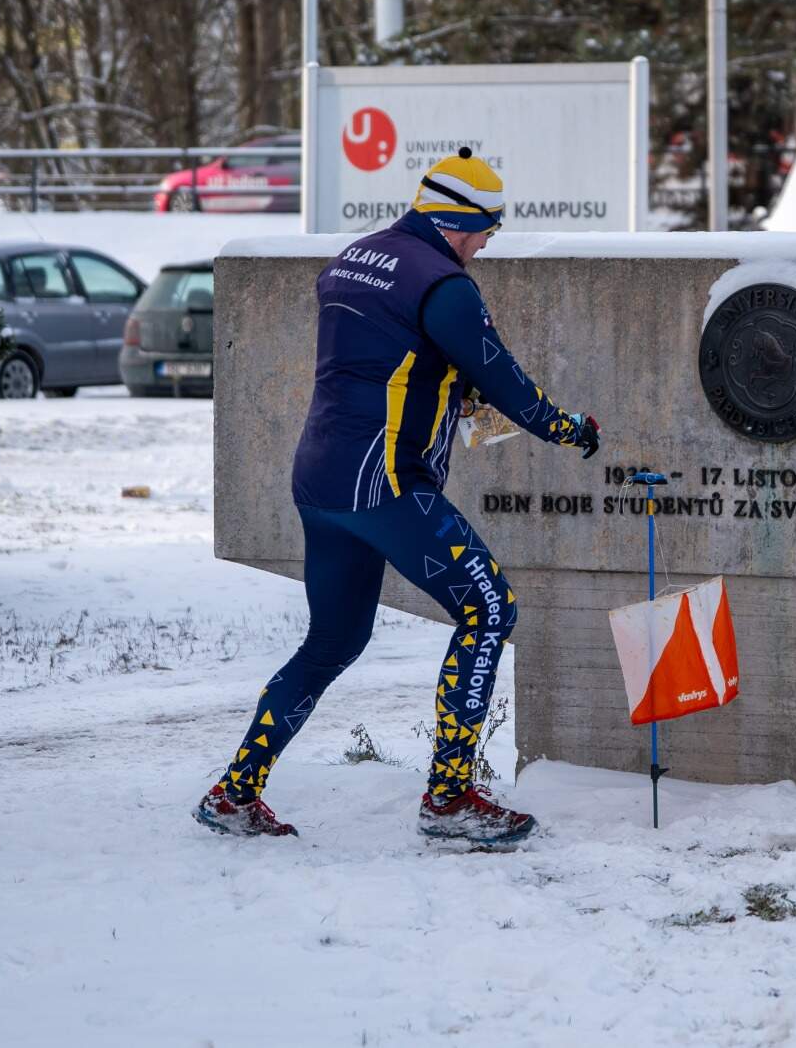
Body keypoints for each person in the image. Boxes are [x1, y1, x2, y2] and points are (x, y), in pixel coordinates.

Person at [195, 149, 599, 845]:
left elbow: (383, 357)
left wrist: (446, 384)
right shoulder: (445, 285)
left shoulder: (355, 258)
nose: (485, 244)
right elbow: (502, 378)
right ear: (455, 220)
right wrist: (568, 428)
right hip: (383, 483)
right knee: (489, 607)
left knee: (332, 642)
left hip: (320, 479)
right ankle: (449, 798)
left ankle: (235, 792)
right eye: (486, 229)